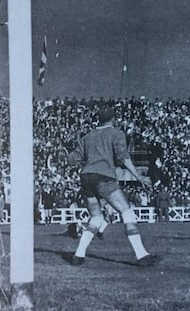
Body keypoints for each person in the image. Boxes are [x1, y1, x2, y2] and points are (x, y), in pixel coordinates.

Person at [67, 105, 161, 266]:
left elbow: (71, 160)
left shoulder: (87, 136)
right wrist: (138, 177)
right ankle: (142, 256)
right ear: (113, 119)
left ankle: (78, 255)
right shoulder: (117, 134)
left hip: (86, 177)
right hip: (104, 176)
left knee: (96, 217)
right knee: (127, 212)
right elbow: (123, 158)